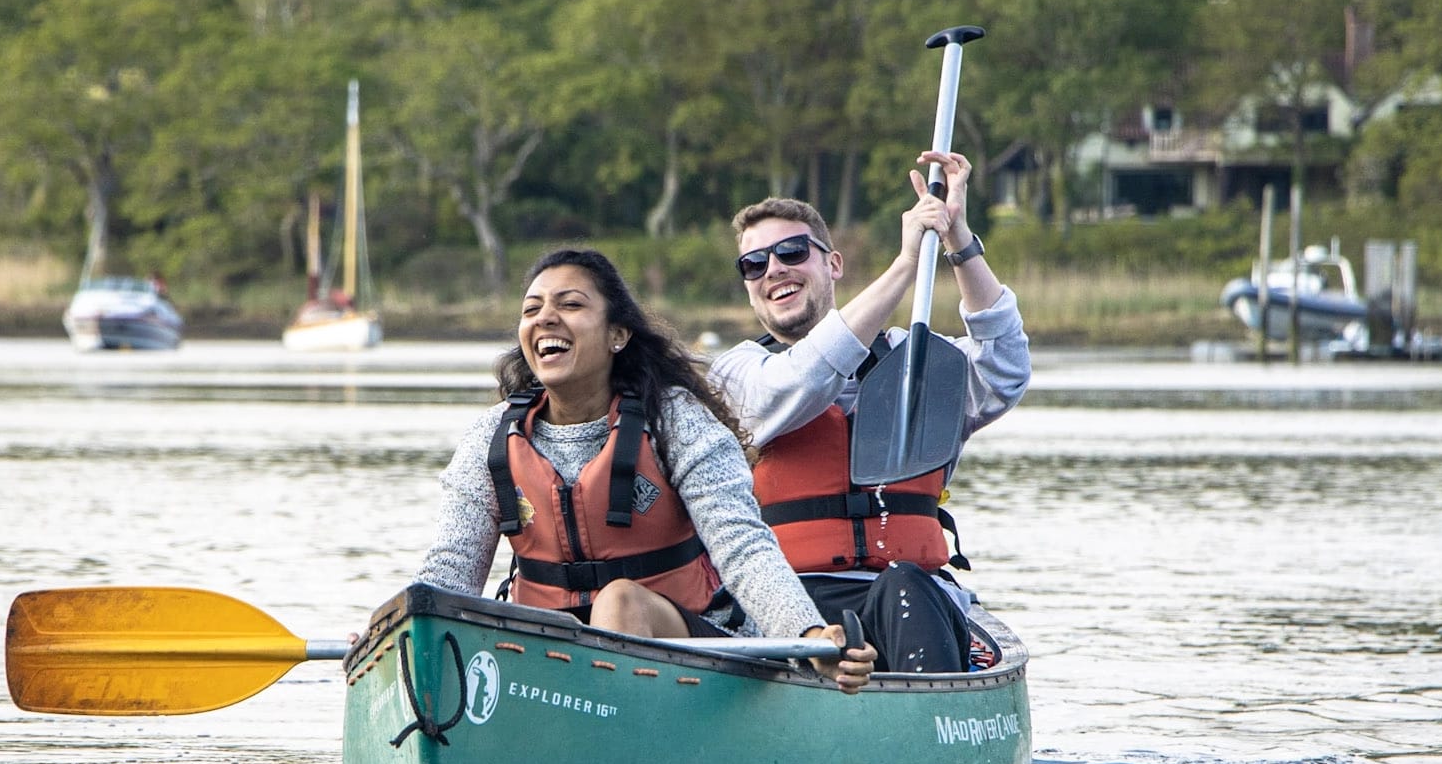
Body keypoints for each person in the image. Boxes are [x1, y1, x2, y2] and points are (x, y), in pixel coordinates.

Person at [417, 248, 876, 691]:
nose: (545, 319)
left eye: (571, 305)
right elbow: (450, 571)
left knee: (619, 601)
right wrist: (399, 631)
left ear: (618, 335)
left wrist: (809, 634)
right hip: (554, 662)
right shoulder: (493, 437)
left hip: (699, 656)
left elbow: (745, 548)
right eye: (531, 309)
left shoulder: (674, 419)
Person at [710, 151, 1030, 674]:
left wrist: (958, 243)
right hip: (790, 605)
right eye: (755, 263)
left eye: (792, 252)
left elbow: (1005, 372)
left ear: (833, 264)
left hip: (910, 596)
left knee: (906, 583)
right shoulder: (737, 375)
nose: (775, 270)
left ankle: (922, 730)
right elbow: (801, 381)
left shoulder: (915, 361)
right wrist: (906, 265)